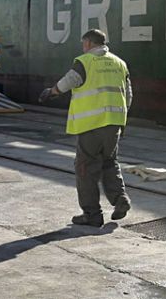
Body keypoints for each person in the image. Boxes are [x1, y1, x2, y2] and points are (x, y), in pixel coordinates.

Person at [39, 28, 132, 227]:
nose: (83, 47)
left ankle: (92, 214)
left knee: (85, 168)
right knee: (109, 162)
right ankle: (120, 200)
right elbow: (128, 95)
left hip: (91, 125)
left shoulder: (84, 61)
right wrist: (120, 119)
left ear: (88, 43)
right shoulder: (120, 64)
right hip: (114, 124)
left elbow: (71, 80)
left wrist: (52, 91)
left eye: (84, 43)